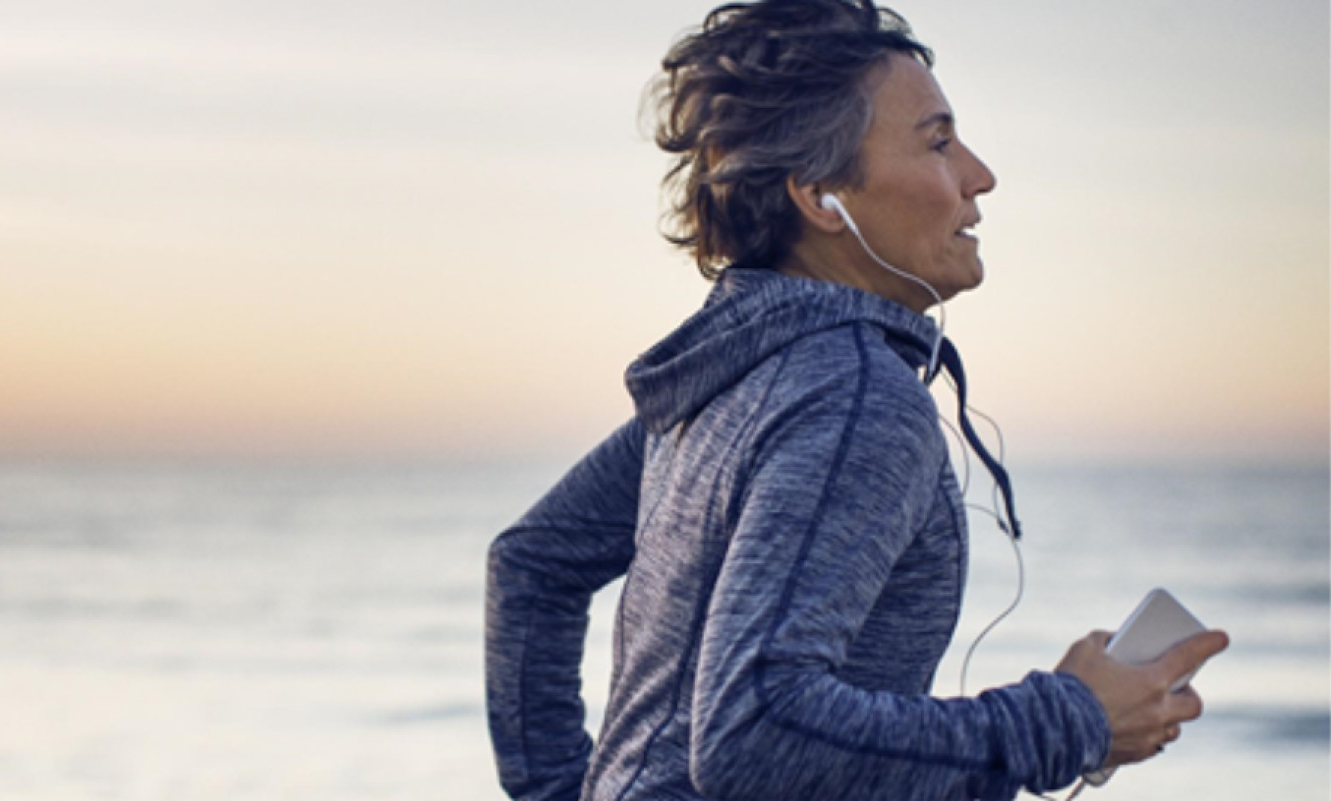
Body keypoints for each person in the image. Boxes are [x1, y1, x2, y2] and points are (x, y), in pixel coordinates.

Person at [483, 1, 1229, 800]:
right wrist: (1069, 718)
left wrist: (561, 791)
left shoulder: (726, 378)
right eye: (938, 142)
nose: (979, 175)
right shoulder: (853, 400)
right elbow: (754, 732)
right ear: (821, 195)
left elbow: (532, 563)